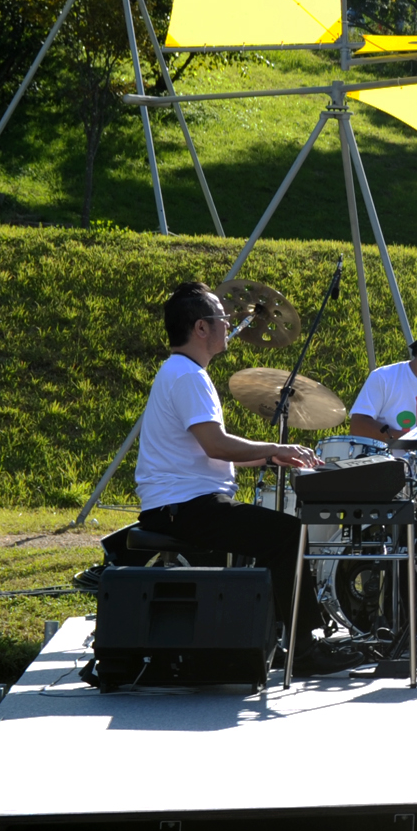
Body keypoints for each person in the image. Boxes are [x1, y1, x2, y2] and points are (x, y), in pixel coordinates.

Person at [128, 282, 336, 672]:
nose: (229, 324)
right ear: (200, 328)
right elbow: (216, 445)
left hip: (183, 503)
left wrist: (272, 457)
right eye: (222, 318)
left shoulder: (180, 371)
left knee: (274, 534)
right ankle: (304, 650)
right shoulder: (187, 376)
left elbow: (203, 454)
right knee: (287, 534)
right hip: (183, 507)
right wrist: (274, 448)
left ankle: (275, 638)